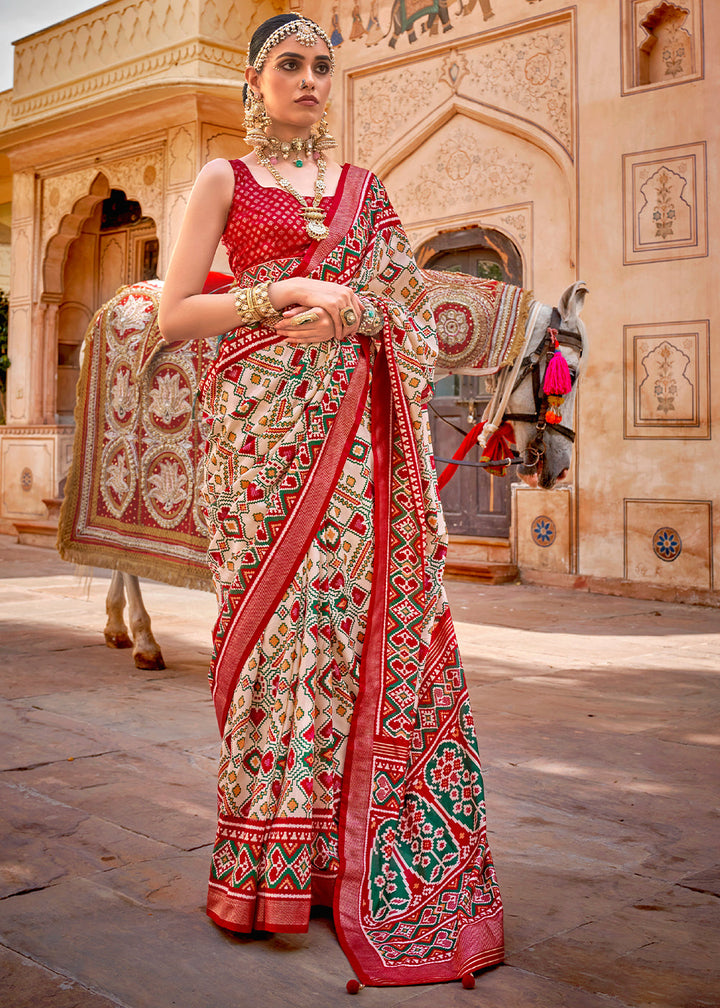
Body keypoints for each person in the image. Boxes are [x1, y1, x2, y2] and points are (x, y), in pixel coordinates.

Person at [158, 13, 503, 989]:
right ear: (255, 82)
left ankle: (320, 866)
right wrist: (294, 294)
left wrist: (358, 312)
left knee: (337, 642)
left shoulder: (367, 192)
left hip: (350, 448)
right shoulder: (227, 180)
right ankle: (255, 871)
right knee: (271, 639)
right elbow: (180, 307)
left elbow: (404, 306)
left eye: (321, 65)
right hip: (257, 446)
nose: (310, 79)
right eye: (290, 65)